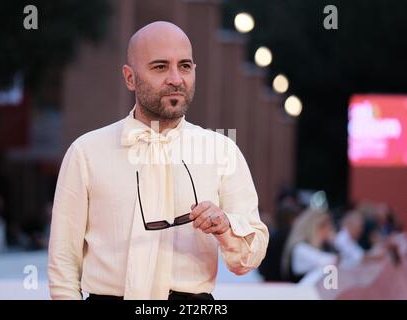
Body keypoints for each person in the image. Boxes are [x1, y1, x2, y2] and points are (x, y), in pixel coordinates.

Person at [48, 21, 269, 300]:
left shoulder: (222, 151)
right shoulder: (86, 152)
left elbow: (249, 258)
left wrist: (225, 226)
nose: (176, 78)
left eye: (185, 66)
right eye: (160, 66)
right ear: (130, 78)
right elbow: (63, 262)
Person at [281, 208, 338, 283]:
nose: (327, 232)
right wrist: (336, 242)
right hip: (301, 292)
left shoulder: (322, 247)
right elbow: (332, 261)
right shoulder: (300, 248)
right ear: (315, 227)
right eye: (326, 229)